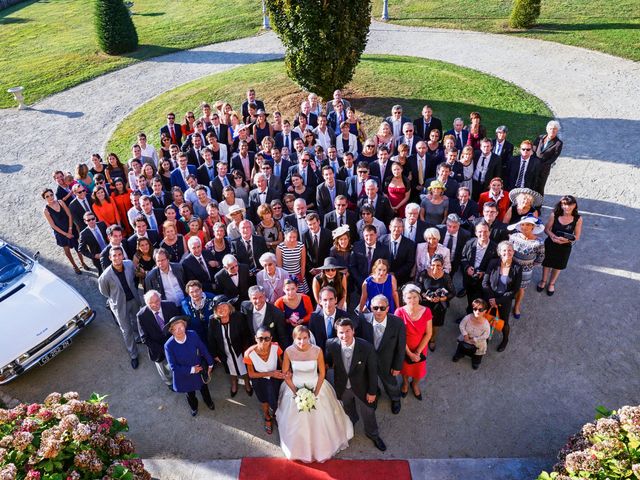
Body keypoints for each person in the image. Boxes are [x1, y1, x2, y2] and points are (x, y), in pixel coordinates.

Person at [277, 325, 354, 462]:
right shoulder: (288, 351)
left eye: (305, 338)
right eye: (298, 339)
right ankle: (299, 448)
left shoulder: (317, 351)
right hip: (295, 387)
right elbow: (285, 374)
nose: (302, 342)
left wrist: (315, 393)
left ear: (309, 337)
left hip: (316, 385)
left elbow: (322, 373)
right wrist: (297, 393)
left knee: (323, 418)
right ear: (294, 338)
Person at [326, 319, 386, 451]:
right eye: (341, 332)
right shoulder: (331, 344)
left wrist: (372, 392)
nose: (345, 335)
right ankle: (351, 424)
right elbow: (328, 361)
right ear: (336, 333)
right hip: (342, 386)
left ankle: (373, 434)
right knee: (347, 409)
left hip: (363, 387)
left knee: (369, 412)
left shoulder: (366, 347)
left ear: (353, 330)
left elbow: (372, 371)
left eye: (348, 331)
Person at [359, 295, 406, 414]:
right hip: (369, 361)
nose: (379, 311)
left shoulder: (398, 323)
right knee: (370, 380)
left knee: (390, 383)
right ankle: (376, 394)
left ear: (388, 308)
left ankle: (395, 398)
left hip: (388, 362)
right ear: (371, 308)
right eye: (375, 308)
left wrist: (397, 366)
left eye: (382, 308)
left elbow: (400, 347)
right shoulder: (363, 319)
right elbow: (359, 340)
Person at [98, 246, 141, 369]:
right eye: (114, 255)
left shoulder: (128, 265)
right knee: (126, 330)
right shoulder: (105, 276)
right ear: (110, 258)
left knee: (137, 321)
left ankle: (139, 338)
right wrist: (115, 298)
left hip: (133, 299)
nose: (117, 257)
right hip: (119, 305)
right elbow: (104, 292)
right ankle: (133, 355)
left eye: (119, 255)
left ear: (122, 256)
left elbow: (134, 279)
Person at [164, 316, 215, 416]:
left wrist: (210, 363)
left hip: (199, 368)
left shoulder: (192, 334)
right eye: (175, 328)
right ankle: (194, 407)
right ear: (171, 331)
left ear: (185, 326)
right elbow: (173, 366)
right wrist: (192, 370)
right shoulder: (168, 345)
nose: (179, 330)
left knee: (204, 387)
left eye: (181, 326)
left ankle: (209, 402)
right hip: (184, 374)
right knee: (190, 393)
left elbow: (203, 349)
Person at [482, 241, 522, 352]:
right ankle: (486, 336)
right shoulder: (493, 262)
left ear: (513, 252)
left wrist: (498, 300)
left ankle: (505, 339)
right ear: (499, 252)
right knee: (487, 318)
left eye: (509, 250)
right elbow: (485, 283)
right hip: (490, 298)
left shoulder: (517, 268)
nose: (507, 252)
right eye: (504, 250)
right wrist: (491, 299)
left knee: (504, 322)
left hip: (505, 300)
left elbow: (515, 290)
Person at [244, 326, 285, 434]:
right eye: (260, 338)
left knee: (277, 397)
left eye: (267, 338)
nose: (263, 341)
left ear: (271, 339)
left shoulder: (276, 347)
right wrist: (270, 373)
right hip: (259, 380)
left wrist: (285, 372)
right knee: (264, 400)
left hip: (275, 379)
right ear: (255, 338)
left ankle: (277, 415)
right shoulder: (249, 354)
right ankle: (267, 417)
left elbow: (281, 362)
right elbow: (251, 374)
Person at [136, 290, 181, 388]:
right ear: (147, 303)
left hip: (174, 341)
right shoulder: (141, 315)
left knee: (178, 361)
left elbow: (179, 323)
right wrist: (162, 349)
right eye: (151, 303)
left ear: (160, 299)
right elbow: (144, 337)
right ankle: (169, 382)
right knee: (163, 367)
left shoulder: (170, 306)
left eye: (157, 301)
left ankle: (181, 377)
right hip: (157, 347)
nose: (155, 305)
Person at [539, 196, 582, 296]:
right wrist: (553, 237)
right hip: (550, 243)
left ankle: (551, 283)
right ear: (561, 205)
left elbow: (577, 236)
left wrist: (565, 240)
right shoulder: (554, 215)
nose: (566, 207)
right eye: (564, 204)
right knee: (546, 263)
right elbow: (547, 229)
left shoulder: (578, 219)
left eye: (569, 205)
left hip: (565, 246)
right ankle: (543, 281)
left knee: (558, 266)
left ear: (574, 205)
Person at [395, 284, 432, 400]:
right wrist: (410, 354)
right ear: (404, 299)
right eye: (409, 298)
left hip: (421, 347)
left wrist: (417, 352)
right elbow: (399, 336)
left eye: (415, 297)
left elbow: (428, 333)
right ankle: (405, 384)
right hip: (404, 347)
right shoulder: (399, 312)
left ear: (419, 297)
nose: (412, 300)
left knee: (418, 370)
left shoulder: (426, 311)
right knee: (405, 369)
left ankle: (415, 384)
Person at [42, 188, 87, 274]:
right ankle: (75, 266)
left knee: (78, 247)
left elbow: (69, 215)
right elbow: (53, 225)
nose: (50, 197)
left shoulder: (61, 202)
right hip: (61, 233)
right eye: (47, 196)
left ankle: (83, 262)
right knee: (67, 251)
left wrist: (70, 229)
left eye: (51, 195)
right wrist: (66, 234)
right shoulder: (46, 210)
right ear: (44, 198)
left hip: (70, 228)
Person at [508, 215, 545, 318]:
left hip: (526, 270)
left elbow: (540, 258)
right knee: (509, 284)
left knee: (521, 289)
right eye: (523, 224)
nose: (525, 227)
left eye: (528, 225)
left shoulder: (539, 242)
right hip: (512, 266)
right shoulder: (514, 236)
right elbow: (509, 249)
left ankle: (517, 306)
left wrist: (529, 265)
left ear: (533, 227)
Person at [417, 255, 455, 351]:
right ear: (430, 264)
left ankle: (432, 339)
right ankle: (422, 337)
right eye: (433, 265)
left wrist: (442, 299)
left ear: (442, 266)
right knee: (422, 322)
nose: (435, 267)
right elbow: (418, 287)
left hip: (439, 305)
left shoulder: (446, 277)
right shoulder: (424, 274)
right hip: (425, 303)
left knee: (436, 324)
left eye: (438, 265)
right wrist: (426, 296)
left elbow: (453, 292)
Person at [452, 298, 491, 370]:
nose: (477, 311)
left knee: (477, 354)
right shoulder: (468, 317)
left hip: (478, 343)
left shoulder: (486, 324)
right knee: (461, 348)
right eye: (475, 309)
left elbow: (486, 335)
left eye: (480, 310)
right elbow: (462, 325)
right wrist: (465, 334)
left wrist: (475, 339)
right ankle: (459, 355)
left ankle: (475, 362)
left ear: (485, 311)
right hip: (465, 338)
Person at [533, 120, 563, 195]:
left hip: (544, 169)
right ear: (547, 129)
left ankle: (538, 205)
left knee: (540, 187)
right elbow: (533, 149)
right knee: (531, 184)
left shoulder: (558, 143)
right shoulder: (540, 138)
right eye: (551, 128)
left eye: (555, 129)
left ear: (557, 130)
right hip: (533, 166)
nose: (552, 130)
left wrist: (541, 164)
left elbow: (553, 158)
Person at [276, 227, 309, 294]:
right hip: (286, 277)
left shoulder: (301, 246)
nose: (292, 239)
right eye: (290, 237)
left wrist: (301, 277)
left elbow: (303, 264)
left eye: (294, 237)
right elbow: (279, 266)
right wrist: (283, 280)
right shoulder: (280, 247)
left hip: (298, 275)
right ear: (285, 236)